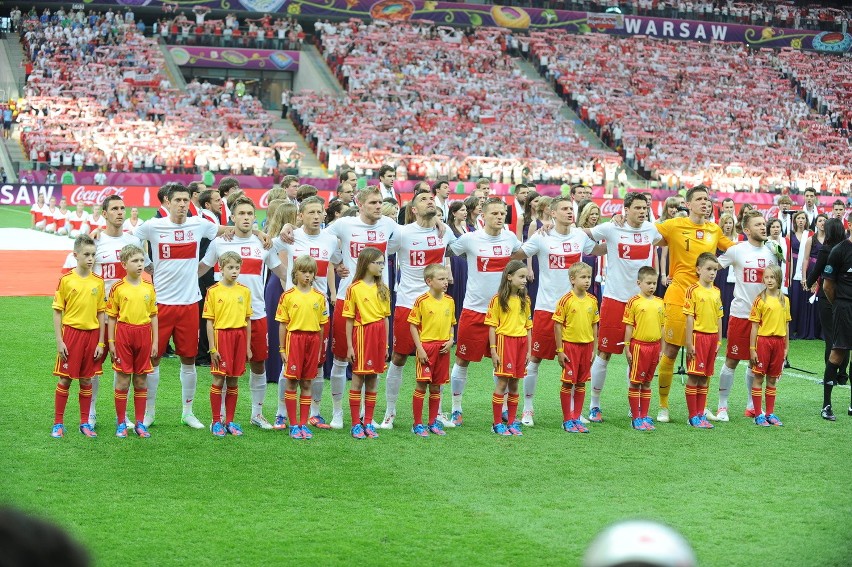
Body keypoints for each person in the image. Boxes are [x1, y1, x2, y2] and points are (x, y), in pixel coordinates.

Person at [616, 186, 734, 423]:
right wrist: (622, 219)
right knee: (670, 350)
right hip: (679, 296)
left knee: (705, 352)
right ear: (688, 204)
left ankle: (701, 408)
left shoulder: (714, 229)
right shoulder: (674, 225)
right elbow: (645, 231)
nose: (705, 203)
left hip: (705, 300)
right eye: (699, 199)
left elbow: (733, 250)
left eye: (707, 199)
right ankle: (663, 406)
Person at [134, 183, 236, 429]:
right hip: (161, 305)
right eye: (176, 200)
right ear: (167, 202)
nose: (181, 204)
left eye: (184, 200)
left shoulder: (198, 224)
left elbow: (225, 230)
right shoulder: (153, 226)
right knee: (154, 358)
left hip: (190, 303)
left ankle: (187, 412)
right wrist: (147, 263)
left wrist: (261, 233)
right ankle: (149, 413)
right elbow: (134, 237)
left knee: (189, 360)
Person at [199, 196, 287, 430]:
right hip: (225, 319)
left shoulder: (262, 244)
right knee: (223, 371)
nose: (246, 217)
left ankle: (256, 414)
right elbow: (202, 268)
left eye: (250, 214)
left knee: (258, 364)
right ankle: (221, 419)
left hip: (255, 314)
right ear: (233, 217)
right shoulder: (220, 242)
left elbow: (281, 272)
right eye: (242, 214)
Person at [512, 196, 601, 425]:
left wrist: (620, 230)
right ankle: (528, 409)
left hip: (575, 310)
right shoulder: (542, 237)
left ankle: (574, 411)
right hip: (546, 308)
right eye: (564, 209)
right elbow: (519, 253)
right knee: (535, 359)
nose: (570, 212)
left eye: (571, 209)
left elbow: (598, 249)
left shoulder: (580, 236)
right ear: (552, 213)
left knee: (576, 361)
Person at [380, 188, 454, 429]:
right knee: (400, 357)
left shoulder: (444, 231)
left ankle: (438, 412)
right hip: (407, 303)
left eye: (431, 198)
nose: (430, 200)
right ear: (413, 210)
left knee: (439, 358)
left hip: (437, 307)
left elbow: (470, 243)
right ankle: (390, 412)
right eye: (423, 199)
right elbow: (378, 244)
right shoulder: (401, 233)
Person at [583, 192, 661, 422]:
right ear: (626, 209)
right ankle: (594, 405)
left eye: (644, 208)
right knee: (604, 353)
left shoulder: (651, 229)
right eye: (637, 208)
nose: (642, 211)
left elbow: (665, 239)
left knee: (636, 355)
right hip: (615, 300)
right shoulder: (610, 228)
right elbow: (584, 233)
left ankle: (634, 406)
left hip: (641, 304)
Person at [447, 198, 521, 426]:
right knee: (462, 360)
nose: (500, 217)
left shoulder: (510, 238)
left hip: (504, 313)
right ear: (483, 216)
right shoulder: (470, 239)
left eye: (503, 213)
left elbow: (521, 255)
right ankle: (456, 408)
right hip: (474, 310)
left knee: (502, 364)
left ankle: (506, 409)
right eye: (495, 213)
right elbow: (447, 249)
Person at [272, 196, 341, 429]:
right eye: (310, 212)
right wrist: (283, 274)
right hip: (294, 311)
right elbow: (267, 248)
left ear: (324, 215)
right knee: (288, 364)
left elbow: (338, 263)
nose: (315, 216)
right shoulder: (290, 236)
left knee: (319, 364)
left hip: (319, 311)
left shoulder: (331, 240)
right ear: (300, 216)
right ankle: (282, 412)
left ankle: (315, 412)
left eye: (318, 212)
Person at [84, 195, 150, 429]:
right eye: (114, 208)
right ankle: (90, 412)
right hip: (100, 312)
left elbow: (146, 267)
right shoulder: (96, 240)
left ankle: (121, 416)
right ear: (104, 213)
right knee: (94, 364)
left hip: (127, 316)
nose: (120, 212)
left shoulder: (133, 240)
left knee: (123, 366)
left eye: (122, 208)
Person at [713, 210, 777, 421]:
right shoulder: (737, 250)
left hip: (765, 317)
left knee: (754, 362)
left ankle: (752, 405)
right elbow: (713, 266)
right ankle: (722, 406)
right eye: (758, 225)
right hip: (741, 314)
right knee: (732, 360)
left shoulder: (771, 252)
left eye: (764, 224)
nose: (763, 227)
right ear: (747, 230)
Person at [50, 235, 106, 438]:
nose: (91, 259)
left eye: (93, 255)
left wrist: (101, 341)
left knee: (86, 380)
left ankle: (84, 423)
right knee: (65, 380)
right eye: (86, 255)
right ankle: (58, 423)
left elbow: (101, 313)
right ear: (76, 255)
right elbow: (57, 311)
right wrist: (59, 340)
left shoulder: (98, 282)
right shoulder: (66, 280)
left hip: (92, 337)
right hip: (71, 335)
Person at [105, 244, 157, 439]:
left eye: (142, 260)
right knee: (123, 379)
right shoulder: (118, 288)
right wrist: (111, 341)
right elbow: (111, 316)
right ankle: (121, 423)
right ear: (124, 264)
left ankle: (140, 423)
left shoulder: (148, 287)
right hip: (124, 334)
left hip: (144, 334)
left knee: (141, 379)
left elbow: (153, 316)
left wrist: (155, 342)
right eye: (135, 261)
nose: (139, 264)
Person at [275, 255, 329, 439]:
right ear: (295, 273)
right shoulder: (288, 296)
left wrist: (321, 348)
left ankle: (303, 424)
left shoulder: (320, 297)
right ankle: (293, 424)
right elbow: (282, 324)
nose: (307, 276)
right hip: (295, 340)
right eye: (304, 272)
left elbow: (322, 326)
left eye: (311, 272)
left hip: (313, 341)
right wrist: (282, 349)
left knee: (307, 382)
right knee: (291, 381)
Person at [342, 247, 391, 439]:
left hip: (379, 335)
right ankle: (355, 423)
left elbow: (386, 318)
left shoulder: (383, 289)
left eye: (382, 263)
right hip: (362, 334)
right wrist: (349, 345)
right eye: (377, 263)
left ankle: (368, 422)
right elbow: (348, 319)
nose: (381, 267)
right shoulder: (354, 288)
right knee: (358, 379)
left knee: (373, 380)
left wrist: (386, 344)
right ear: (365, 264)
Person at [202, 251, 252, 438]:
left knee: (233, 379)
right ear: (220, 269)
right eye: (230, 267)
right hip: (221, 337)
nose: (234, 271)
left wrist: (247, 347)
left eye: (237, 268)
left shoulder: (244, 291)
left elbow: (248, 321)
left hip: (239, 337)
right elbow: (209, 322)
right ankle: (216, 421)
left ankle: (229, 420)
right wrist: (212, 348)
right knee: (218, 379)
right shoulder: (213, 292)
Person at [485, 260, 532, 436]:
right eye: (521, 277)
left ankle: (512, 422)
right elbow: (491, 327)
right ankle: (497, 423)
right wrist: (493, 350)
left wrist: (528, 351)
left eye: (525, 277)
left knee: (515, 384)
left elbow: (528, 327)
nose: (524, 280)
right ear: (509, 277)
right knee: (503, 383)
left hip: (521, 344)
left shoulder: (525, 299)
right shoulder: (497, 300)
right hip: (505, 342)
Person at [408, 264, 455, 436]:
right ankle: (417, 424)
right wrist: (419, 349)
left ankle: (432, 422)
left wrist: (451, 339)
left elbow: (452, 324)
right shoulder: (421, 301)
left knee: (436, 387)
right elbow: (413, 326)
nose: (445, 282)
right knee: (421, 385)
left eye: (446, 279)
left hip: (443, 348)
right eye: (441, 279)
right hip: (426, 348)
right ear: (429, 281)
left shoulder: (450, 301)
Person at [553, 262, 599, 433]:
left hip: (587, 347)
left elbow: (595, 324)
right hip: (570, 347)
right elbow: (557, 326)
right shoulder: (566, 300)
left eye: (588, 277)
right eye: (583, 277)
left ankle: (576, 418)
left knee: (580, 383)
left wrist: (594, 347)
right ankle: (567, 420)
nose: (587, 281)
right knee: (567, 383)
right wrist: (560, 350)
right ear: (572, 279)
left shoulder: (593, 300)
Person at [682, 253, 723, 429]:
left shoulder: (716, 291)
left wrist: (719, 341)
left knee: (705, 377)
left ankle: (701, 413)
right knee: (694, 377)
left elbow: (720, 317)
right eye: (708, 269)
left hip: (712, 338)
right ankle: (692, 416)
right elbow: (689, 318)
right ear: (698, 270)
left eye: (715, 270)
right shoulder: (693, 290)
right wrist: (689, 343)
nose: (712, 273)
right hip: (698, 337)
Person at [623, 266, 665, 431]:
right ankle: (635, 418)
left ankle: (644, 415)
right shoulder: (634, 302)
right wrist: (627, 347)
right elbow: (628, 327)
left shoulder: (660, 303)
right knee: (635, 382)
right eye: (648, 283)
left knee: (647, 383)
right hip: (639, 346)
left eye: (654, 283)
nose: (652, 286)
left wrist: (661, 348)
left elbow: (662, 327)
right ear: (639, 283)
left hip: (654, 347)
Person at [749, 265, 790, 427]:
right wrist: (752, 349)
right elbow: (754, 326)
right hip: (763, 342)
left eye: (772, 277)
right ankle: (758, 414)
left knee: (773, 379)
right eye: (766, 277)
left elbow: (786, 326)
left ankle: (769, 413)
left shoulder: (785, 300)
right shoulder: (760, 300)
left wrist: (786, 347)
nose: (769, 280)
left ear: (779, 279)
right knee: (759, 377)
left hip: (779, 343)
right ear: (763, 280)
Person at [821, 221, 852, 421]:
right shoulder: (839, 251)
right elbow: (827, 286)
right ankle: (826, 405)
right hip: (845, 306)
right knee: (838, 352)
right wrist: (839, 305)